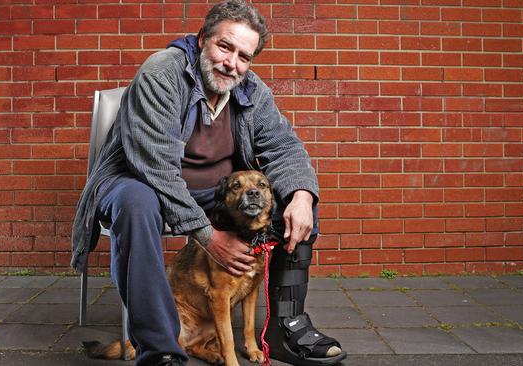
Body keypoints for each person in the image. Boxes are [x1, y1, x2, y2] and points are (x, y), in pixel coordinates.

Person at [71, 1, 347, 365]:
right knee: (137, 203)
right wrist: (208, 236)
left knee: (291, 207)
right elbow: (155, 168)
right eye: (224, 46)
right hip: (139, 180)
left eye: (244, 56)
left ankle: (283, 328)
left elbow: (284, 147)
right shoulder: (162, 72)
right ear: (203, 39)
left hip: (213, 193)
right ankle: (160, 351)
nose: (231, 63)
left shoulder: (252, 90)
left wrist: (301, 195)